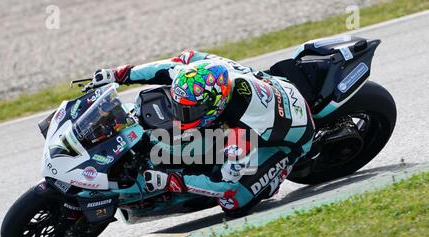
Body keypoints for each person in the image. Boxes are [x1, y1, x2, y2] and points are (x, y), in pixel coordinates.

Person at [90, 50, 315, 214]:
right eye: (178, 106)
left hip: (291, 140)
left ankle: (277, 176)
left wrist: (171, 180)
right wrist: (120, 74)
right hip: (277, 86)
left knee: (234, 203)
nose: (179, 114)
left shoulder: (243, 130)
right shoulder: (205, 71)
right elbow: (175, 62)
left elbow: (225, 184)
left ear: (215, 104)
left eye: (188, 110)